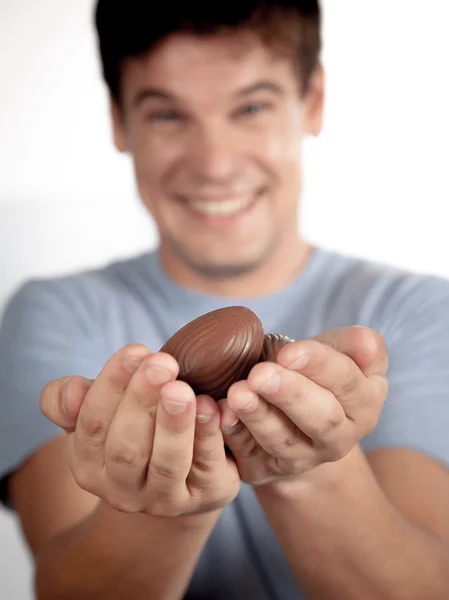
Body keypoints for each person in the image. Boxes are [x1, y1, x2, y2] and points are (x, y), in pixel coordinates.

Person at [1, 1, 449, 598]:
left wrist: (308, 473)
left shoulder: (418, 310)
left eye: (252, 107)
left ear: (312, 102)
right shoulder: (56, 312)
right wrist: (167, 510)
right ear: (118, 121)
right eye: (166, 115)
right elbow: (64, 588)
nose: (214, 164)